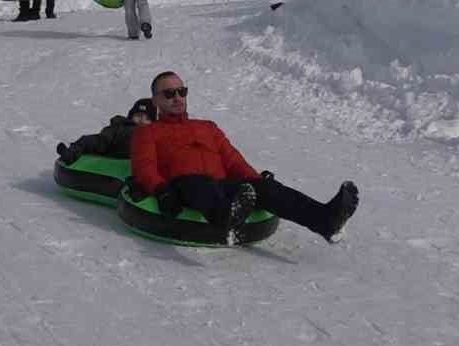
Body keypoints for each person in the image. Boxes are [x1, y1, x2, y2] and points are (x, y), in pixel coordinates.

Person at [130, 71, 359, 244]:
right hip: (185, 186)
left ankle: (326, 220)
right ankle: (227, 220)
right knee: (196, 182)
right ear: (155, 101)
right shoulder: (147, 132)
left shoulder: (207, 127)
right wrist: (161, 189)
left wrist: (256, 180)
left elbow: (232, 160)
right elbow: (144, 166)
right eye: (169, 94)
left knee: (266, 188)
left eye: (182, 91)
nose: (178, 98)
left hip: (222, 185)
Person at [57, 97, 155, 163]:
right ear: (130, 116)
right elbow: (102, 140)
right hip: (115, 152)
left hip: (138, 161)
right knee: (88, 140)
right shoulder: (120, 127)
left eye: (147, 118)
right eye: (138, 116)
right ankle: (70, 154)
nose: (142, 120)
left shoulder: (154, 133)